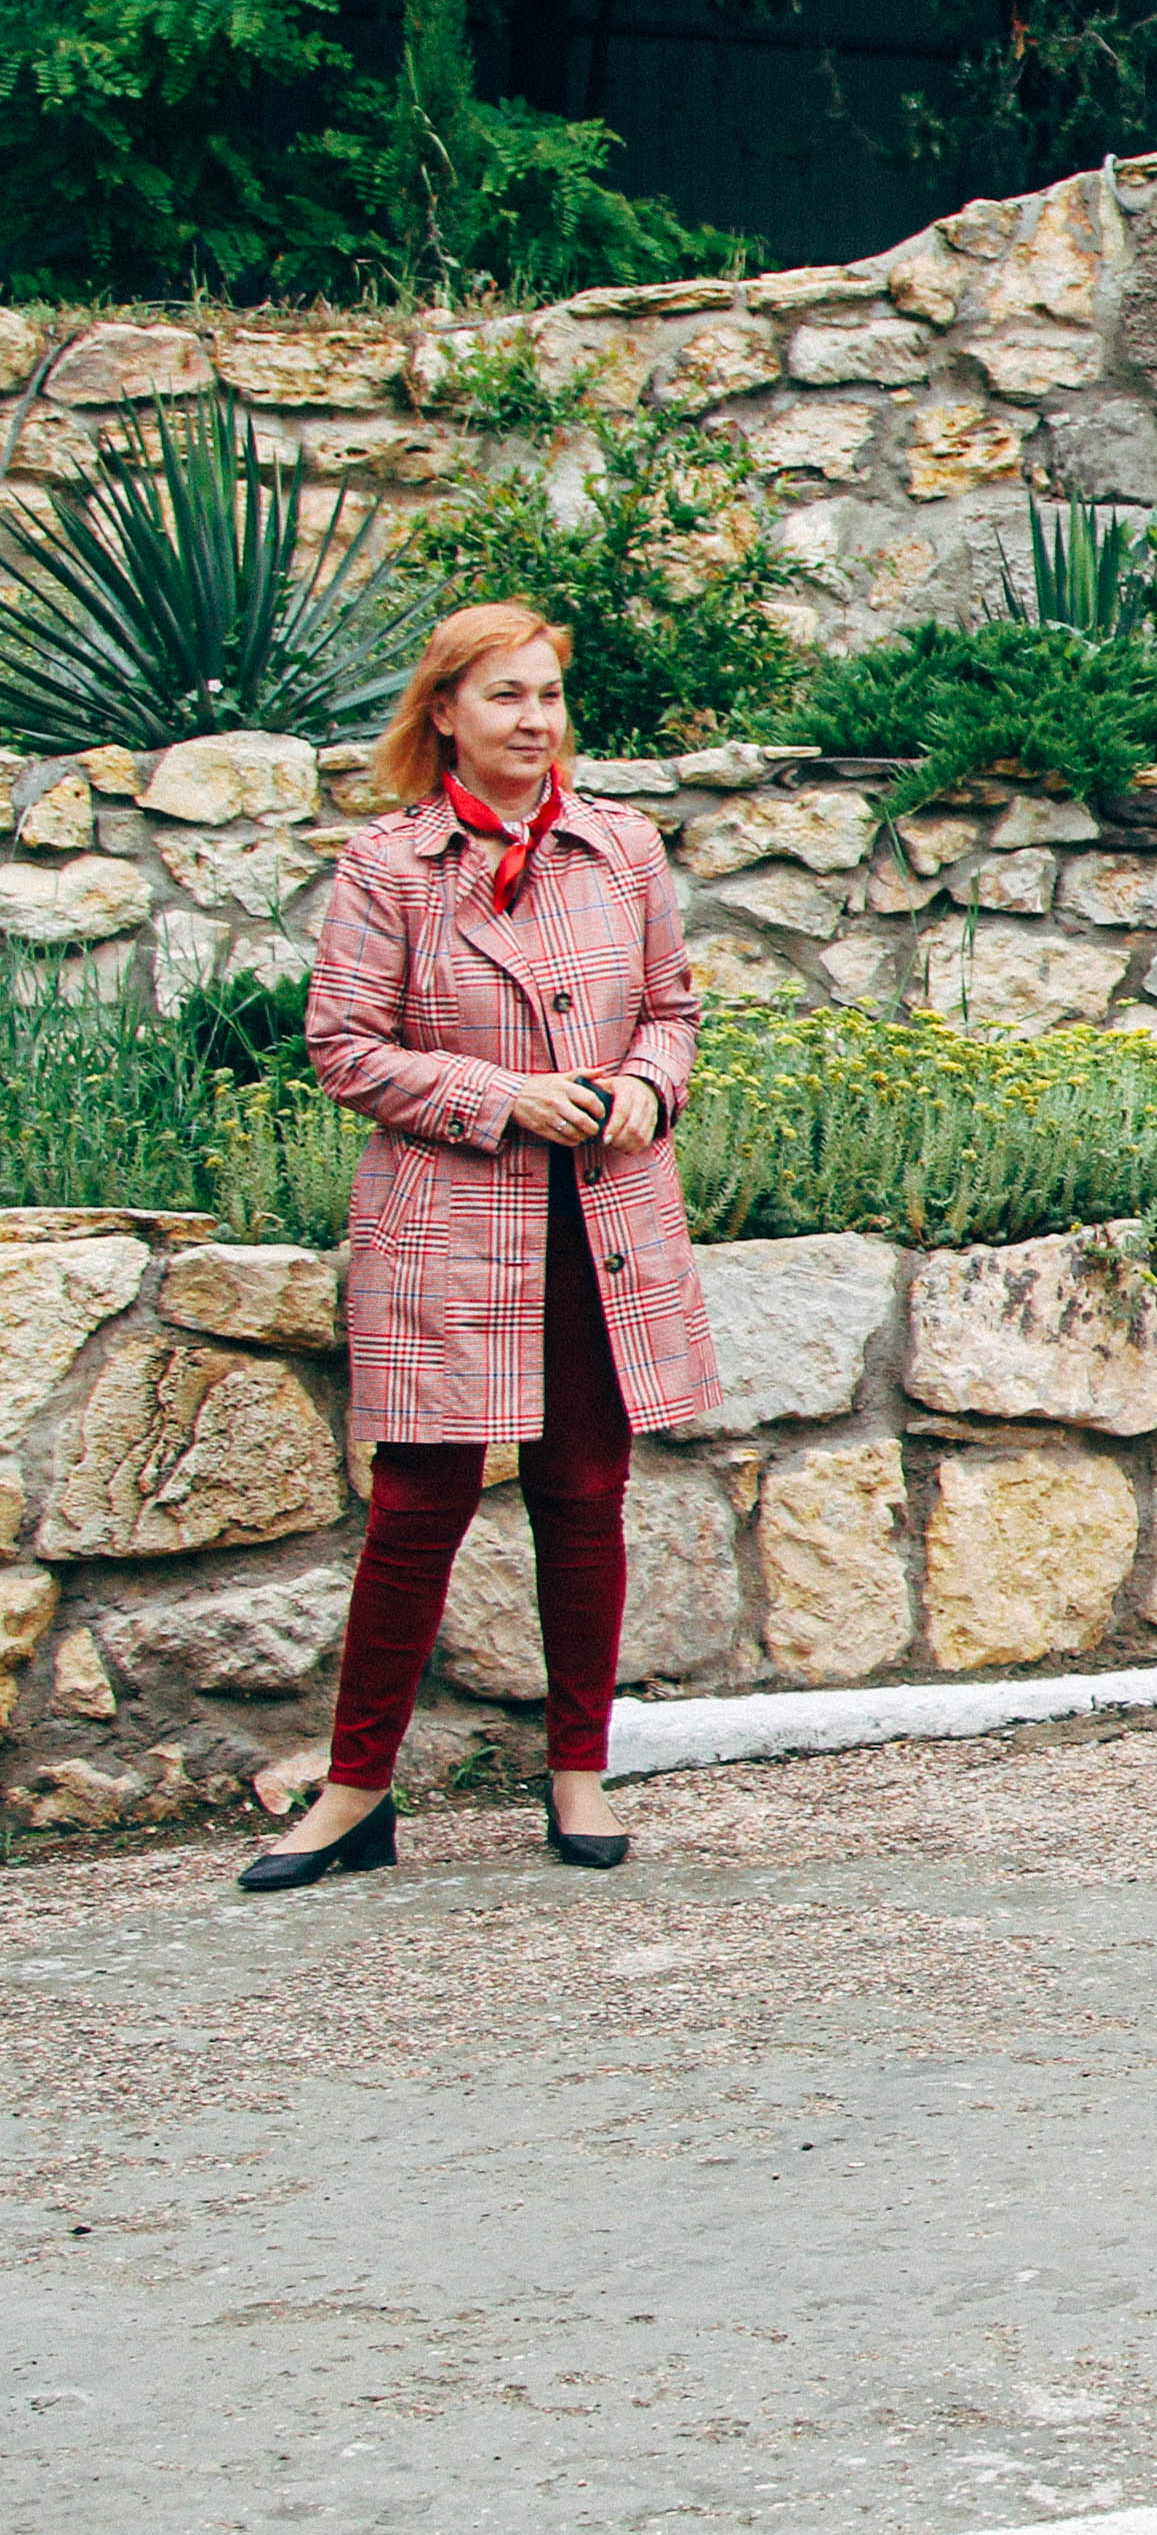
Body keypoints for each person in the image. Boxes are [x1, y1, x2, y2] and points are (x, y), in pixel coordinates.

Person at [238, 603, 721, 1893]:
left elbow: (671, 1010)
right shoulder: (388, 866)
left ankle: (578, 1773)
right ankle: (354, 1793)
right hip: (449, 1231)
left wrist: (643, 1092)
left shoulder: (621, 849)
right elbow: (344, 1051)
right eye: (506, 697)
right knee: (416, 1511)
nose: (536, 721)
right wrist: (499, 1096)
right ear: (444, 711)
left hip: (603, 1224)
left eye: (550, 695)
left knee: (583, 1500)